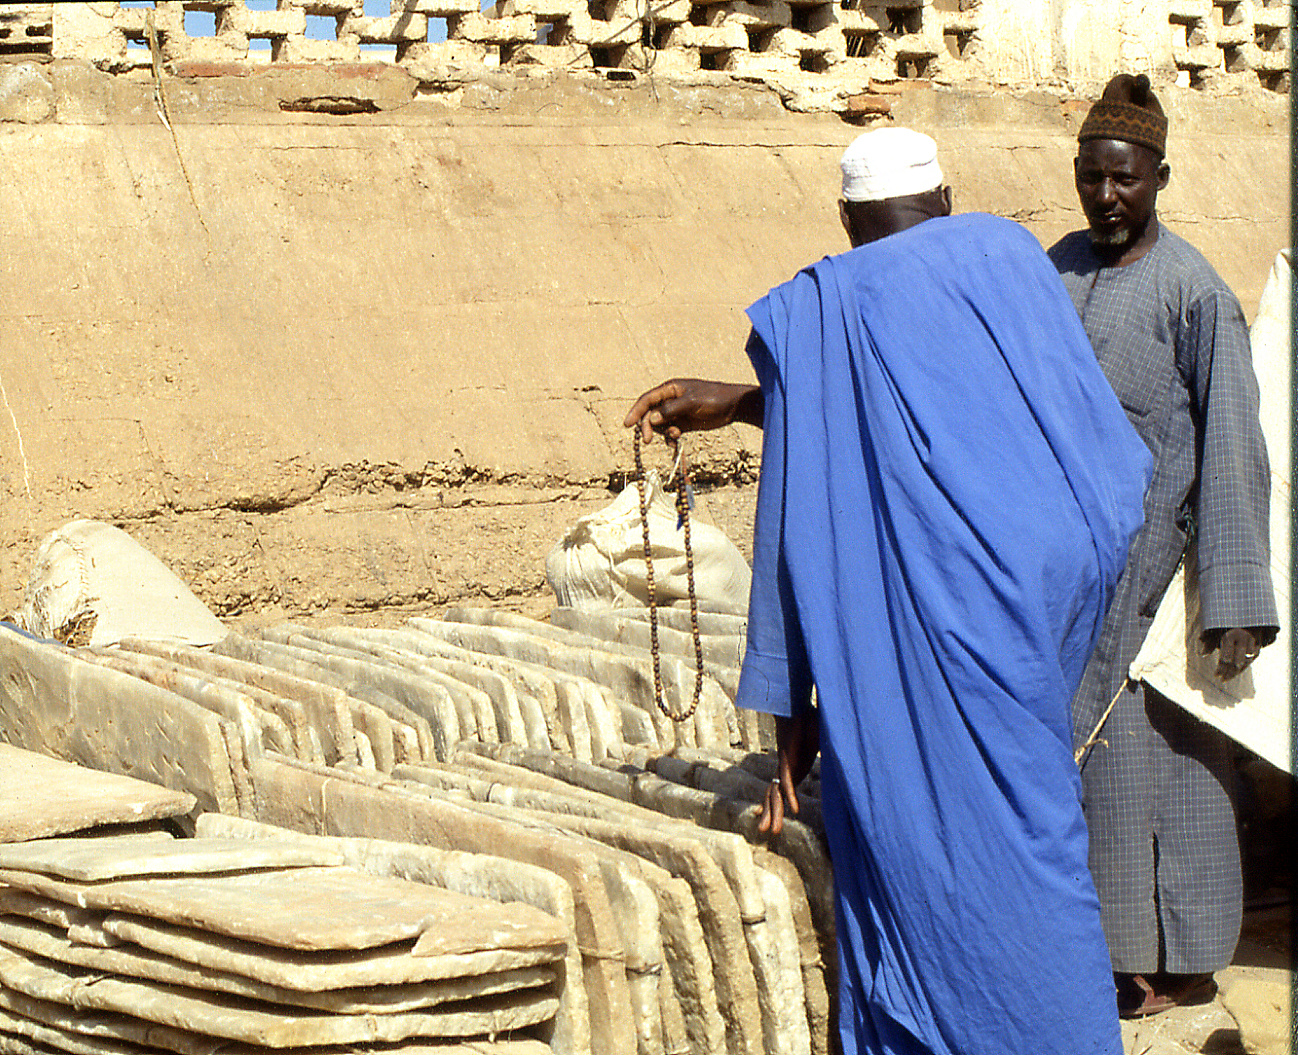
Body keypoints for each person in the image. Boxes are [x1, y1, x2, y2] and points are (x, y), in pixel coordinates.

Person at [626, 127, 1152, 1055]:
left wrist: (796, 725)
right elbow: (1104, 466)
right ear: (944, 198)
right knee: (1032, 848)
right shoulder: (1004, 255)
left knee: (931, 867)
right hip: (1020, 633)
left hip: (929, 655)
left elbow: (807, 529)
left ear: (844, 218)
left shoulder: (821, 310)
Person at [1049, 73, 1279, 1018]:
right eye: (1093, 178)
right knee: (1088, 774)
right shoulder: (1052, 271)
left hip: (1159, 582)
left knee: (1172, 776)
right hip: (1069, 577)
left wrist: (1231, 597)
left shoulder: (1196, 294)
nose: (1108, 198)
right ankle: (1107, 955)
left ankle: (1184, 961)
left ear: (1160, 176)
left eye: (1127, 180)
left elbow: (1233, 445)